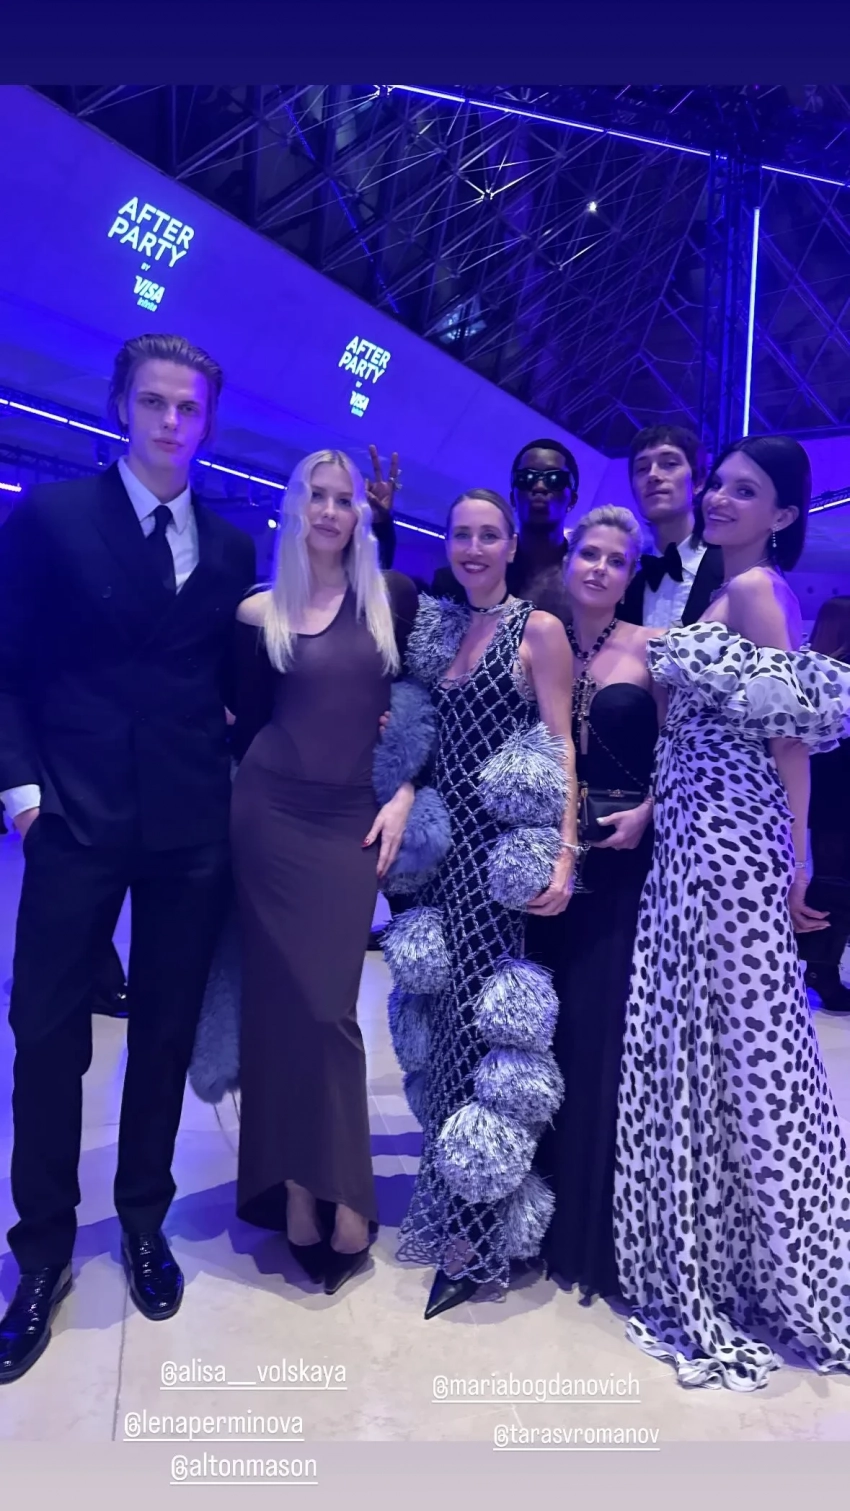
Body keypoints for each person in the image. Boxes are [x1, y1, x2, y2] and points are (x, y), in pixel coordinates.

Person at [0, 333, 255, 1384]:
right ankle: (42, 1252)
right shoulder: (52, 519)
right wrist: (22, 796)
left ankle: (144, 1219)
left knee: (162, 1031)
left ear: (207, 421)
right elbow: (6, 662)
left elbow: (241, 684)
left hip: (190, 825)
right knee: (46, 1034)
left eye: (188, 407)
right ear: (120, 406)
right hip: (72, 816)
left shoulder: (231, 548)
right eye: (153, 401)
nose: (170, 421)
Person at [614, 434, 850, 1390]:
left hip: (731, 846)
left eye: (744, 491)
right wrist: (654, 808)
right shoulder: (729, 586)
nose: (717, 498)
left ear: (783, 515)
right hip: (691, 836)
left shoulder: (755, 592)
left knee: (748, 1053)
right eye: (719, 483)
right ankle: (721, 1252)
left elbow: (790, 738)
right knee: (712, 1050)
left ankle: (784, 1265)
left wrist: (797, 859)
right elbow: (703, 729)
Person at [229, 450, 421, 1297]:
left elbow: (418, 705)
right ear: (296, 505)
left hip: (351, 823)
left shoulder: (392, 599)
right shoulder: (258, 611)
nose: (332, 510)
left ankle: (343, 1189)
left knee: (328, 1008)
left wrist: (406, 787)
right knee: (280, 1009)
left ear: (361, 515)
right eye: (319, 495)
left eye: (345, 499)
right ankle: (299, 1190)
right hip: (269, 816)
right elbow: (242, 723)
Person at [385, 488, 579, 1319]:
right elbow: (419, 735)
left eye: (488, 534)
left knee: (484, 1035)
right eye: (461, 534)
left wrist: (564, 853)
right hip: (436, 858)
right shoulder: (438, 629)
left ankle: (477, 1233)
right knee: (438, 1031)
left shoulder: (538, 629)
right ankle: (453, 1202)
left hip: (497, 864)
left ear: (509, 546)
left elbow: (560, 743)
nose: (472, 547)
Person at [531, 507, 663, 1303]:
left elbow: (683, 753)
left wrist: (649, 809)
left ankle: (586, 1225)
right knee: (539, 1032)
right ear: (569, 557)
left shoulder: (651, 649)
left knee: (595, 1034)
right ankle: (526, 1213)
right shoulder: (535, 636)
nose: (600, 568)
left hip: (618, 866)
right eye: (590, 553)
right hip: (543, 862)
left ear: (630, 573)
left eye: (617, 559)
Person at [430, 441, 580, 624]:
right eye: (526, 478)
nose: (539, 486)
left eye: (555, 479)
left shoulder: (585, 582)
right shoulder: (458, 579)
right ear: (513, 499)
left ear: (572, 500)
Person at [620, 424, 723, 629]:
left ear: (699, 481)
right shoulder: (626, 582)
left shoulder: (731, 569)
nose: (653, 475)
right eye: (642, 469)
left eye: (669, 464)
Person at [801, 596, 850, 1013]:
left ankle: (821, 966)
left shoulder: (812, 667)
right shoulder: (837, 673)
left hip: (823, 786)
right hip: (838, 789)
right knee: (837, 880)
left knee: (833, 876)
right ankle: (821, 969)